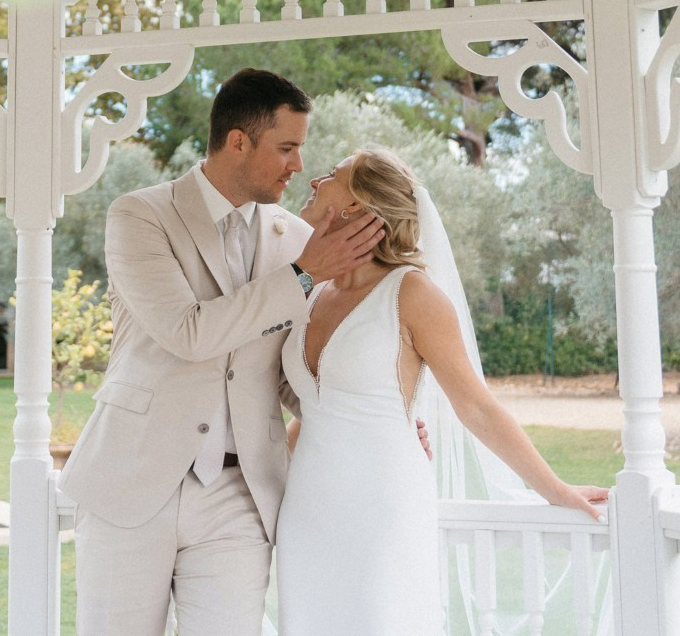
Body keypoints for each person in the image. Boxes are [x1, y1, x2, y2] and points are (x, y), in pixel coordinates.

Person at [62, 69, 385, 636]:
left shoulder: (293, 238)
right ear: (239, 141)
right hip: (132, 479)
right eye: (287, 148)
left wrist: (374, 418)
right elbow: (190, 333)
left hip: (242, 494)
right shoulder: (140, 216)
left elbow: (285, 374)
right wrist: (306, 275)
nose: (299, 166)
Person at [275, 149, 610, 635]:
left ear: (357, 208)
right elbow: (318, 410)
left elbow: (475, 406)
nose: (316, 179)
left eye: (334, 175)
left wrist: (554, 489)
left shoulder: (413, 294)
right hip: (307, 510)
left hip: (383, 505)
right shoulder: (308, 292)